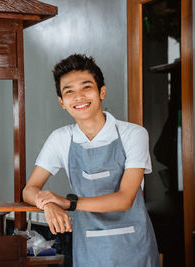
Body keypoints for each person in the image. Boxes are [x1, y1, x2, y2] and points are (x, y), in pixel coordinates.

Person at [23, 54, 160, 266]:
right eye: (69, 91)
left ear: (101, 91)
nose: (78, 97)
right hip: (88, 248)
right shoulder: (61, 139)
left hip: (134, 247)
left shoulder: (133, 134)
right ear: (61, 102)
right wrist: (48, 204)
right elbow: (29, 189)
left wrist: (68, 203)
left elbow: (125, 199)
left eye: (86, 87)